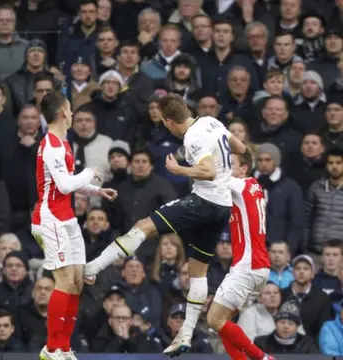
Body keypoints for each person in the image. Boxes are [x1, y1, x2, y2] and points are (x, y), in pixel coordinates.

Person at [83, 93, 246, 356]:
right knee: (198, 271)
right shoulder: (210, 122)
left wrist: (178, 169)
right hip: (222, 208)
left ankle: (93, 267)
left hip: (203, 202)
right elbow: (239, 146)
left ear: (169, 122)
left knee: (144, 226)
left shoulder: (193, 137)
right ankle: (186, 333)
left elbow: (208, 171)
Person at [31, 91, 117, 360]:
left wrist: (96, 191)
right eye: (69, 109)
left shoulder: (63, 142)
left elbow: (68, 184)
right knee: (64, 281)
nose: (72, 114)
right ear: (60, 113)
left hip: (66, 216)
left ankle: (65, 347)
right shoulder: (52, 146)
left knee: (78, 283)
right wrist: (91, 171)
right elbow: (66, 184)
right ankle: (52, 348)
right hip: (50, 219)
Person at [205, 151, 274, 360]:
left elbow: (209, 175)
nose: (224, 167)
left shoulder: (240, 184)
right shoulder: (254, 186)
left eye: (230, 163)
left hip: (247, 265)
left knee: (214, 320)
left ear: (244, 169)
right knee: (222, 322)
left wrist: (181, 167)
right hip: (258, 266)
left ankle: (263, 359)